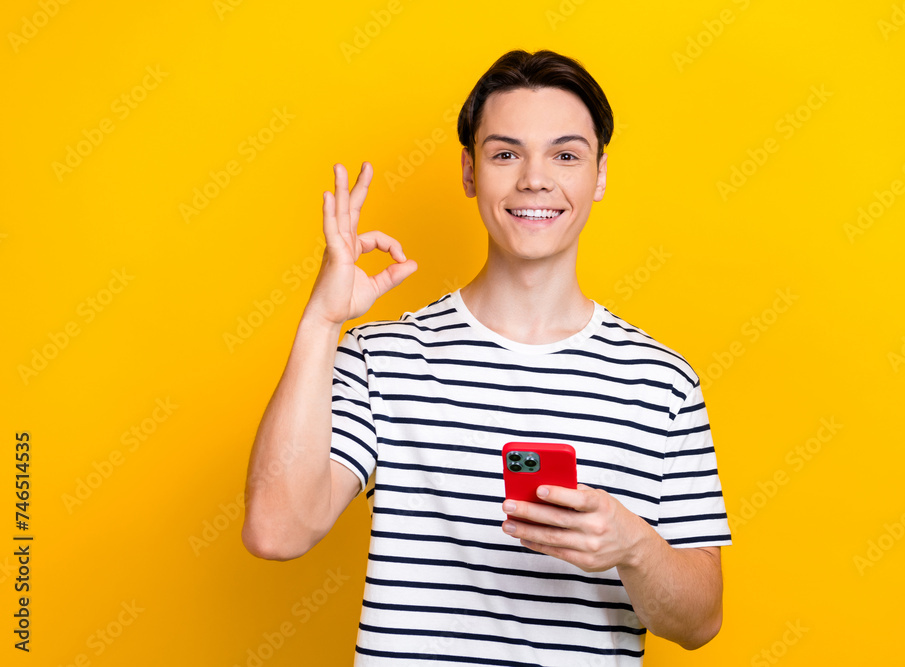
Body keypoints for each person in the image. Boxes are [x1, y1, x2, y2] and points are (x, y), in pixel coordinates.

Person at [242, 49, 732, 666]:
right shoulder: (384, 357)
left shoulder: (662, 382)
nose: (535, 179)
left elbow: (700, 622)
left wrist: (633, 547)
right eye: (505, 154)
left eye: (566, 155)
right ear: (470, 172)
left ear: (600, 174)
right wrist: (322, 322)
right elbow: (275, 530)